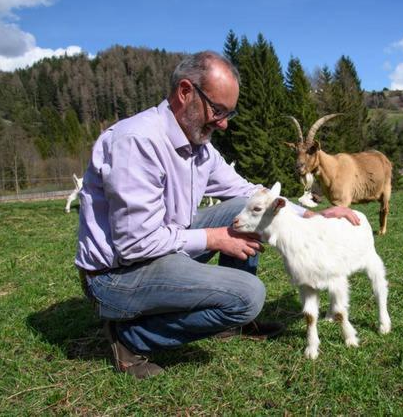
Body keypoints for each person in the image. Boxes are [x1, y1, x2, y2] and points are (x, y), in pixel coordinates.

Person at [76, 50, 360, 379]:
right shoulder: (137, 142)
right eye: (218, 110)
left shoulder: (200, 147)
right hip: (116, 275)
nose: (223, 124)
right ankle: (130, 337)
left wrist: (314, 216)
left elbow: (249, 194)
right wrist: (215, 238)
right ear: (185, 92)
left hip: (160, 245)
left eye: (229, 113)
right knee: (250, 295)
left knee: (243, 211)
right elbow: (135, 244)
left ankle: (232, 321)